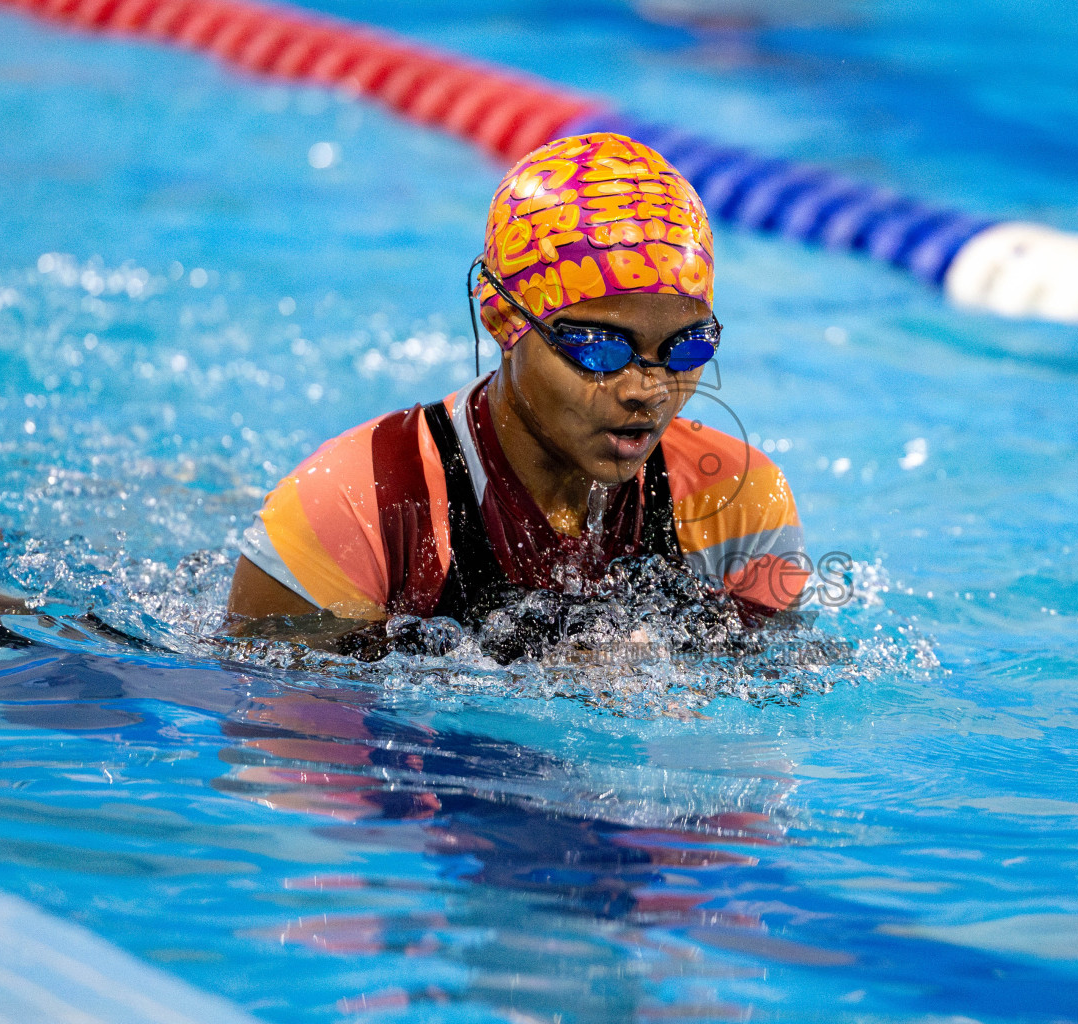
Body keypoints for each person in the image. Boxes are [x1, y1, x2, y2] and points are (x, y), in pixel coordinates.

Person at [226, 133, 806, 648]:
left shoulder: (741, 504)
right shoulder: (351, 511)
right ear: (504, 321)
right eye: (599, 347)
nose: (647, 389)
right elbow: (285, 739)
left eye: (686, 348)